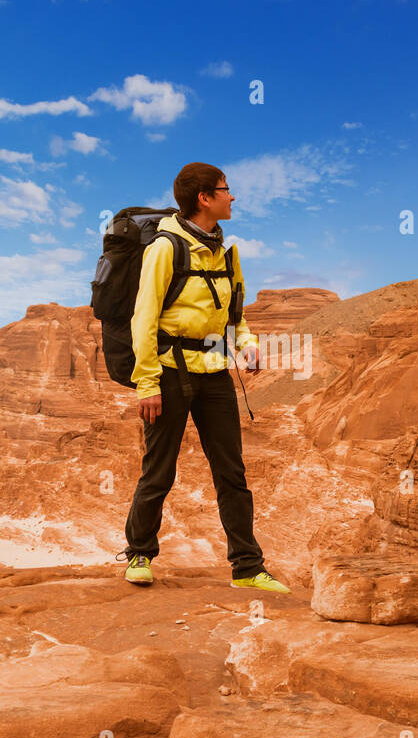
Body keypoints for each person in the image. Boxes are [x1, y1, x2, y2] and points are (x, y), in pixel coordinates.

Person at [115, 162, 290, 593]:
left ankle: (247, 568)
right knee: (159, 470)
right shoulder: (165, 249)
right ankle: (139, 553)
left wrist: (245, 342)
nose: (233, 197)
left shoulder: (226, 252)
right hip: (170, 373)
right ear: (204, 199)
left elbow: (235, 314)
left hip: (214, 373)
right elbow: (144, 318)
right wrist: (148, 383)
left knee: (231, 473)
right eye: (226, 190)